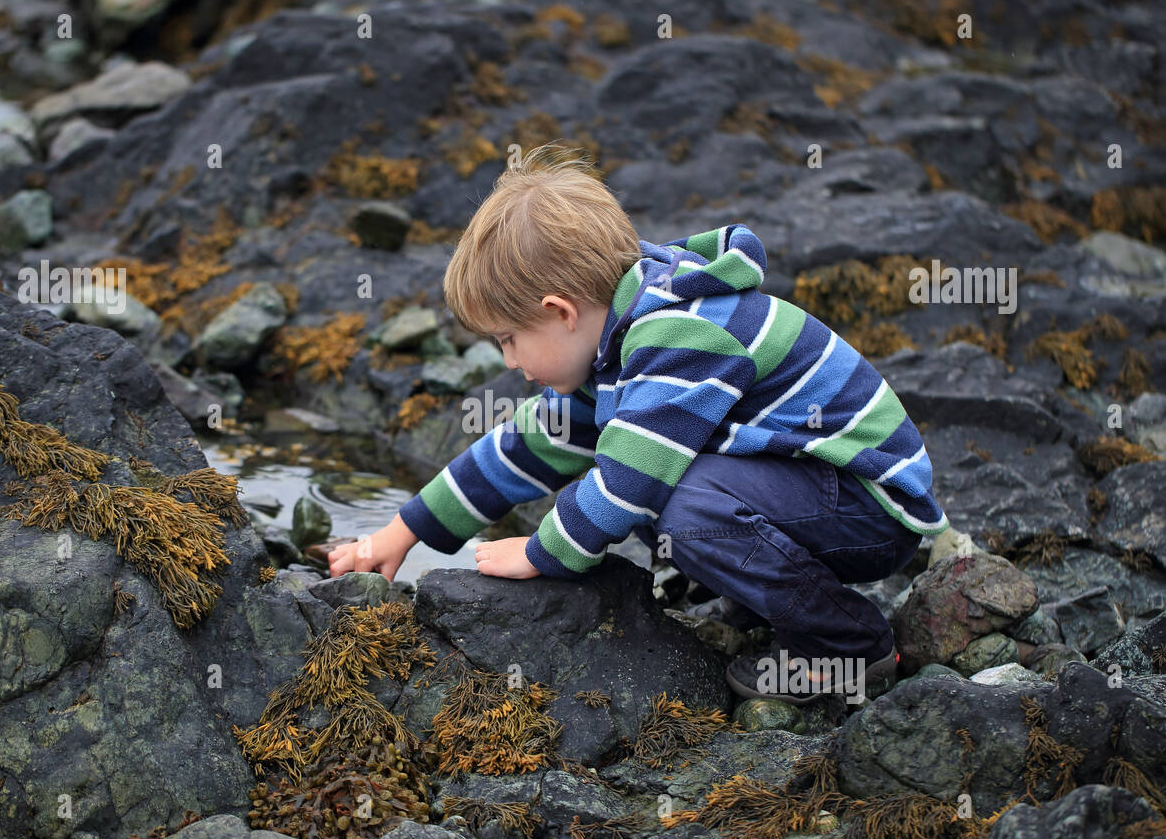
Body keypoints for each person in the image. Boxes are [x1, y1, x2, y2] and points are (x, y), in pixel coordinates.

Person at [328, 144, 948, 705]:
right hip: (810, 490)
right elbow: (526, 448)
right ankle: (776, 596)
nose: (511, 363)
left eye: (509, 340)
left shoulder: (676, 335)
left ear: (561, 312)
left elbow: (629, 479)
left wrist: (546, 552)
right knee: (664, 493)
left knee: (673, 503)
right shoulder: (612, 349)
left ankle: (848, 645)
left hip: (868, 508)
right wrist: (401, 532)